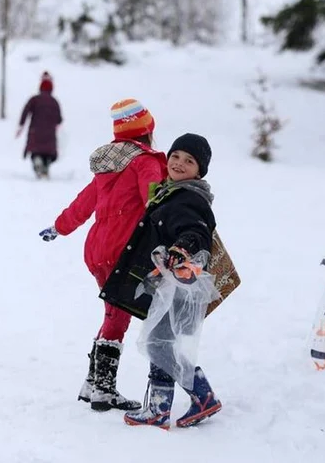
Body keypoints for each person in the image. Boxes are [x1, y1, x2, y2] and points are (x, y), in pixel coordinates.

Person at [39, 98, 167, 411]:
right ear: (146, 131)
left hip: (97, 250)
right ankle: (104, 390)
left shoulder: (108, 166)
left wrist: (59, 227)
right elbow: (155, 200)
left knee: (112, 312)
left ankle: (92, 382)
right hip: (123, 250)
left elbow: (82, 204)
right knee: (118, 315)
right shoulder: (144, 162)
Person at [100, 133, 222, 430]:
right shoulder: (172, 192)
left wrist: (182, 248)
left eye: (189, 161)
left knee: (158, 344)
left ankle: (188, 400)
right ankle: (165, 407)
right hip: (170, 283)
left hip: (177, 284)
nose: (179, 163)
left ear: (200, 170)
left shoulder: (189, 197)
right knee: (161, 342)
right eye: (176, 156)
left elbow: (195, 231)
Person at [16, 71, 63, 179]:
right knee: (48, 153)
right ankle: (45, 168)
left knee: (36, 151)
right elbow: (59, 119)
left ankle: (37, 160)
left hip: (35, 131)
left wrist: (21, 124)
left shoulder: (34, 99)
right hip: (49, 134)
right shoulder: (54, 101)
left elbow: (25, 111)